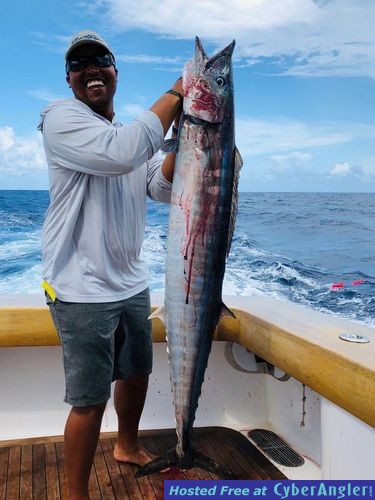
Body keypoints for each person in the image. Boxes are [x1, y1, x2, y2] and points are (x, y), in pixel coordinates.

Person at [39, 30, 183, 499]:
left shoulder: (124, 137)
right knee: (89, 399)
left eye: (100, 59)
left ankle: (126, 445)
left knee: (137, 371)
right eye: (80, 64)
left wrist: (180, 147)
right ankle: (75, 493)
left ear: (116, 72)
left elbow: (157, 189)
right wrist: (182, 91)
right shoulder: (62, 119)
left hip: (130, 282)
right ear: (70, 80)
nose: (91, 68)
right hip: (80, 289)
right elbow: (122, 154)